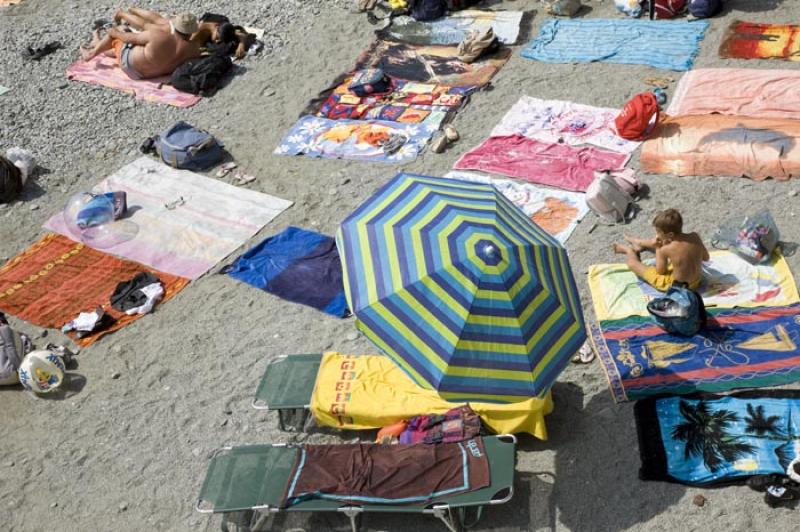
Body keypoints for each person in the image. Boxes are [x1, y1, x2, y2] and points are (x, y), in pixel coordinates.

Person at [80, 13, 202, 80]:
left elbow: (127, 38)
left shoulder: (159, 36)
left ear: (174, 26)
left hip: (130, 67)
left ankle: (91, 53)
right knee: (122, 47)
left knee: (123, 31)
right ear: (191, 32)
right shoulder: (194, 50)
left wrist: (113, 31)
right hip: (151, 75)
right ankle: (96, 42)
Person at [613, 208, 709, 291]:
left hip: (679, 287)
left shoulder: (666, 249)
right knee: (661, 242)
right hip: (697, 281)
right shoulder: (695, 236)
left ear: (670, 234)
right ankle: (638, 243)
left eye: (658, 232)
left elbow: (661, 272)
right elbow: (706, 257)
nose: (657, 235)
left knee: (632, 264)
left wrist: (658, 248)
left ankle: (628, 250)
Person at [112, 8, 251, 59]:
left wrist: (241, 45)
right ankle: (122, 13)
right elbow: (188, 43)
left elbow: (240, 34)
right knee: (146, 25)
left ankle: (132, 10)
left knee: (157, 19)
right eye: (218, 38)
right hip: (175, 32)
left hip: (181, 27)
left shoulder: (219, 27)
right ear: (217, 30)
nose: (217, 42)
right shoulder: (201, 29)